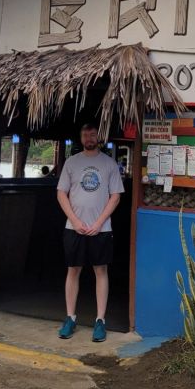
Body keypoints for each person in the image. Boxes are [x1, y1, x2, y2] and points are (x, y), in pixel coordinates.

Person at [55, 123, 124, 342]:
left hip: (101, 229)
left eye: (93, 134)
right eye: (85, 134)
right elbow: (61, 193)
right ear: (81, 137)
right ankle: (70, 317)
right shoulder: (72, 162)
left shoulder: (109, 164)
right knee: (73, 270)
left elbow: (115, 196)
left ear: (98, 137)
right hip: (73, 228)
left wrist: (99, 222)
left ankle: (100, 320)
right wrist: (75, 221)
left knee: (100, 271)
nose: (89, 138)